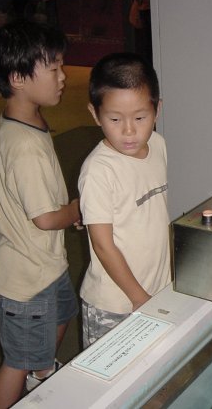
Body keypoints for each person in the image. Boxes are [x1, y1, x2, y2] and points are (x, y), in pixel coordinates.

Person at [0, 20, 81, 409]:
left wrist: (64, 211)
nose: (63, 76)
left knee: (63, 312)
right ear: (18, 78)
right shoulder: (24, 146)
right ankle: (29, 375)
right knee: (17, 360)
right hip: (26, 277)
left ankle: (41, 374)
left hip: (46, 263)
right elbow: (44, 218)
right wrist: (77, 209)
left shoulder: (25, 117)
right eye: (54, 67)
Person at [78, 52, 171, 348]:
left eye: (140, 118)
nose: (129, 131)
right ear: (96, 114)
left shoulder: (158, 144)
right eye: (115, 119)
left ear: (157, 110)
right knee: (110, 373)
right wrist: (138, 297)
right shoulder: (99, 170)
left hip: (156, 288)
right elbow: (103, 245)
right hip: (115, 303)